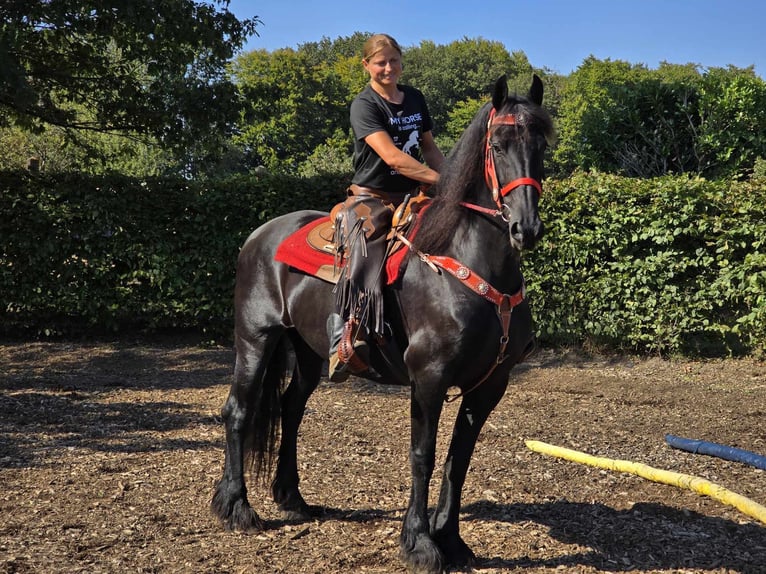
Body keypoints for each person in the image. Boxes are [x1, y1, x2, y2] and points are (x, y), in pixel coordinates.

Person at [328, 33, 445, 382]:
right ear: (367, 65)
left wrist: (450, 177)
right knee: (364, 252)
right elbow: (393, 157)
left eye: (393, 60)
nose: (388, 68)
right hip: (371, 198)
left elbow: (429, 147)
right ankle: (345, 338)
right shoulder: (364, 105)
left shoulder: (415, 99)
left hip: (414, 195)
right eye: (380, 62)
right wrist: (441, 181)